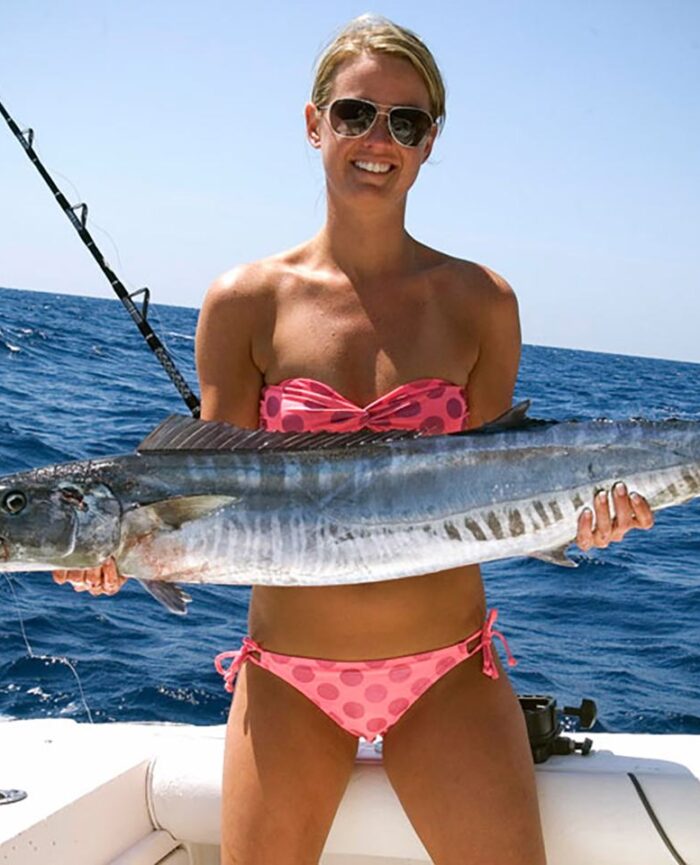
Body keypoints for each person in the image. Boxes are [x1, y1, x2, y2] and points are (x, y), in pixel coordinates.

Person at [54, 15, 654, 864]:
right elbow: (210, 489)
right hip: (290, 675)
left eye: (406, 122)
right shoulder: (244, 300)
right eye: (355, 113)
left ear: (430, 141)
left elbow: (503, 479)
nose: (379, 139)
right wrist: (118, 555)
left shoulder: (482, 299)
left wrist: (583, 517)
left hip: (449, 672)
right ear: (313, 123)